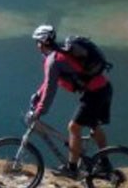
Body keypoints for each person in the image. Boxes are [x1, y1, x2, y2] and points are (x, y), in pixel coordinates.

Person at [27, 24, 113, 179]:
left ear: (43, 42)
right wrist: (38, 94)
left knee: (73, 127)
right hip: (104, 88)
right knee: (94, 126)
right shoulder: (59, 52)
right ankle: (104, 163)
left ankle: (72, 168)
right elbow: (48, 83)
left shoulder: (53, 60)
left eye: (37, 42)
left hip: (95, 93)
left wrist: (40, 110)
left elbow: (51, 88)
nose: (37, 45)